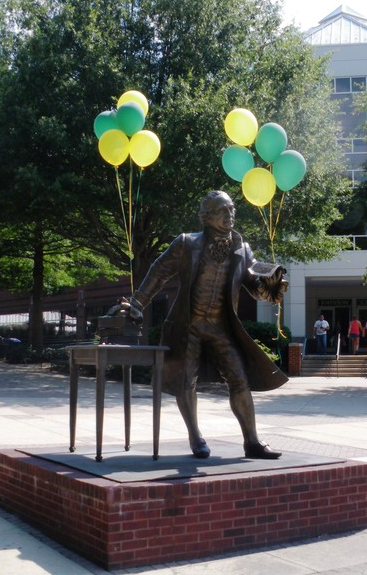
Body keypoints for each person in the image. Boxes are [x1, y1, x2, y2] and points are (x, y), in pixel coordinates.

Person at [111, 191, 289, 460]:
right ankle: (196, 437)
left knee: (239, 378)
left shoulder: (242, 248)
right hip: (188, 325)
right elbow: (159, 273)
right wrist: (137, 303)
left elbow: (252, 281)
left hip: (221, 326)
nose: (229, 215)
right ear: (207, 216)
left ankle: (252, 442)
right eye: (222, 210)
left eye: (231, 210)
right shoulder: (186, 244)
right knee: (186, 381)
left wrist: (268, 288)